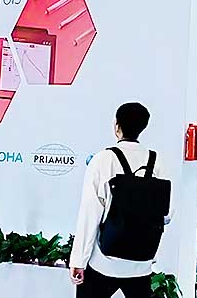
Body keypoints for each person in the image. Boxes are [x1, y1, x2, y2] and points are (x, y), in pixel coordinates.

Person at [70, 102, 169, 298]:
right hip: (141, 264)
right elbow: (167, 213)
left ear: (117, 126)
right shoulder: (156, 161)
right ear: (143, 127)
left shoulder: (102, 160)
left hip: (104, 262)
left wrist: (79, 261)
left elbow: (90, 214)